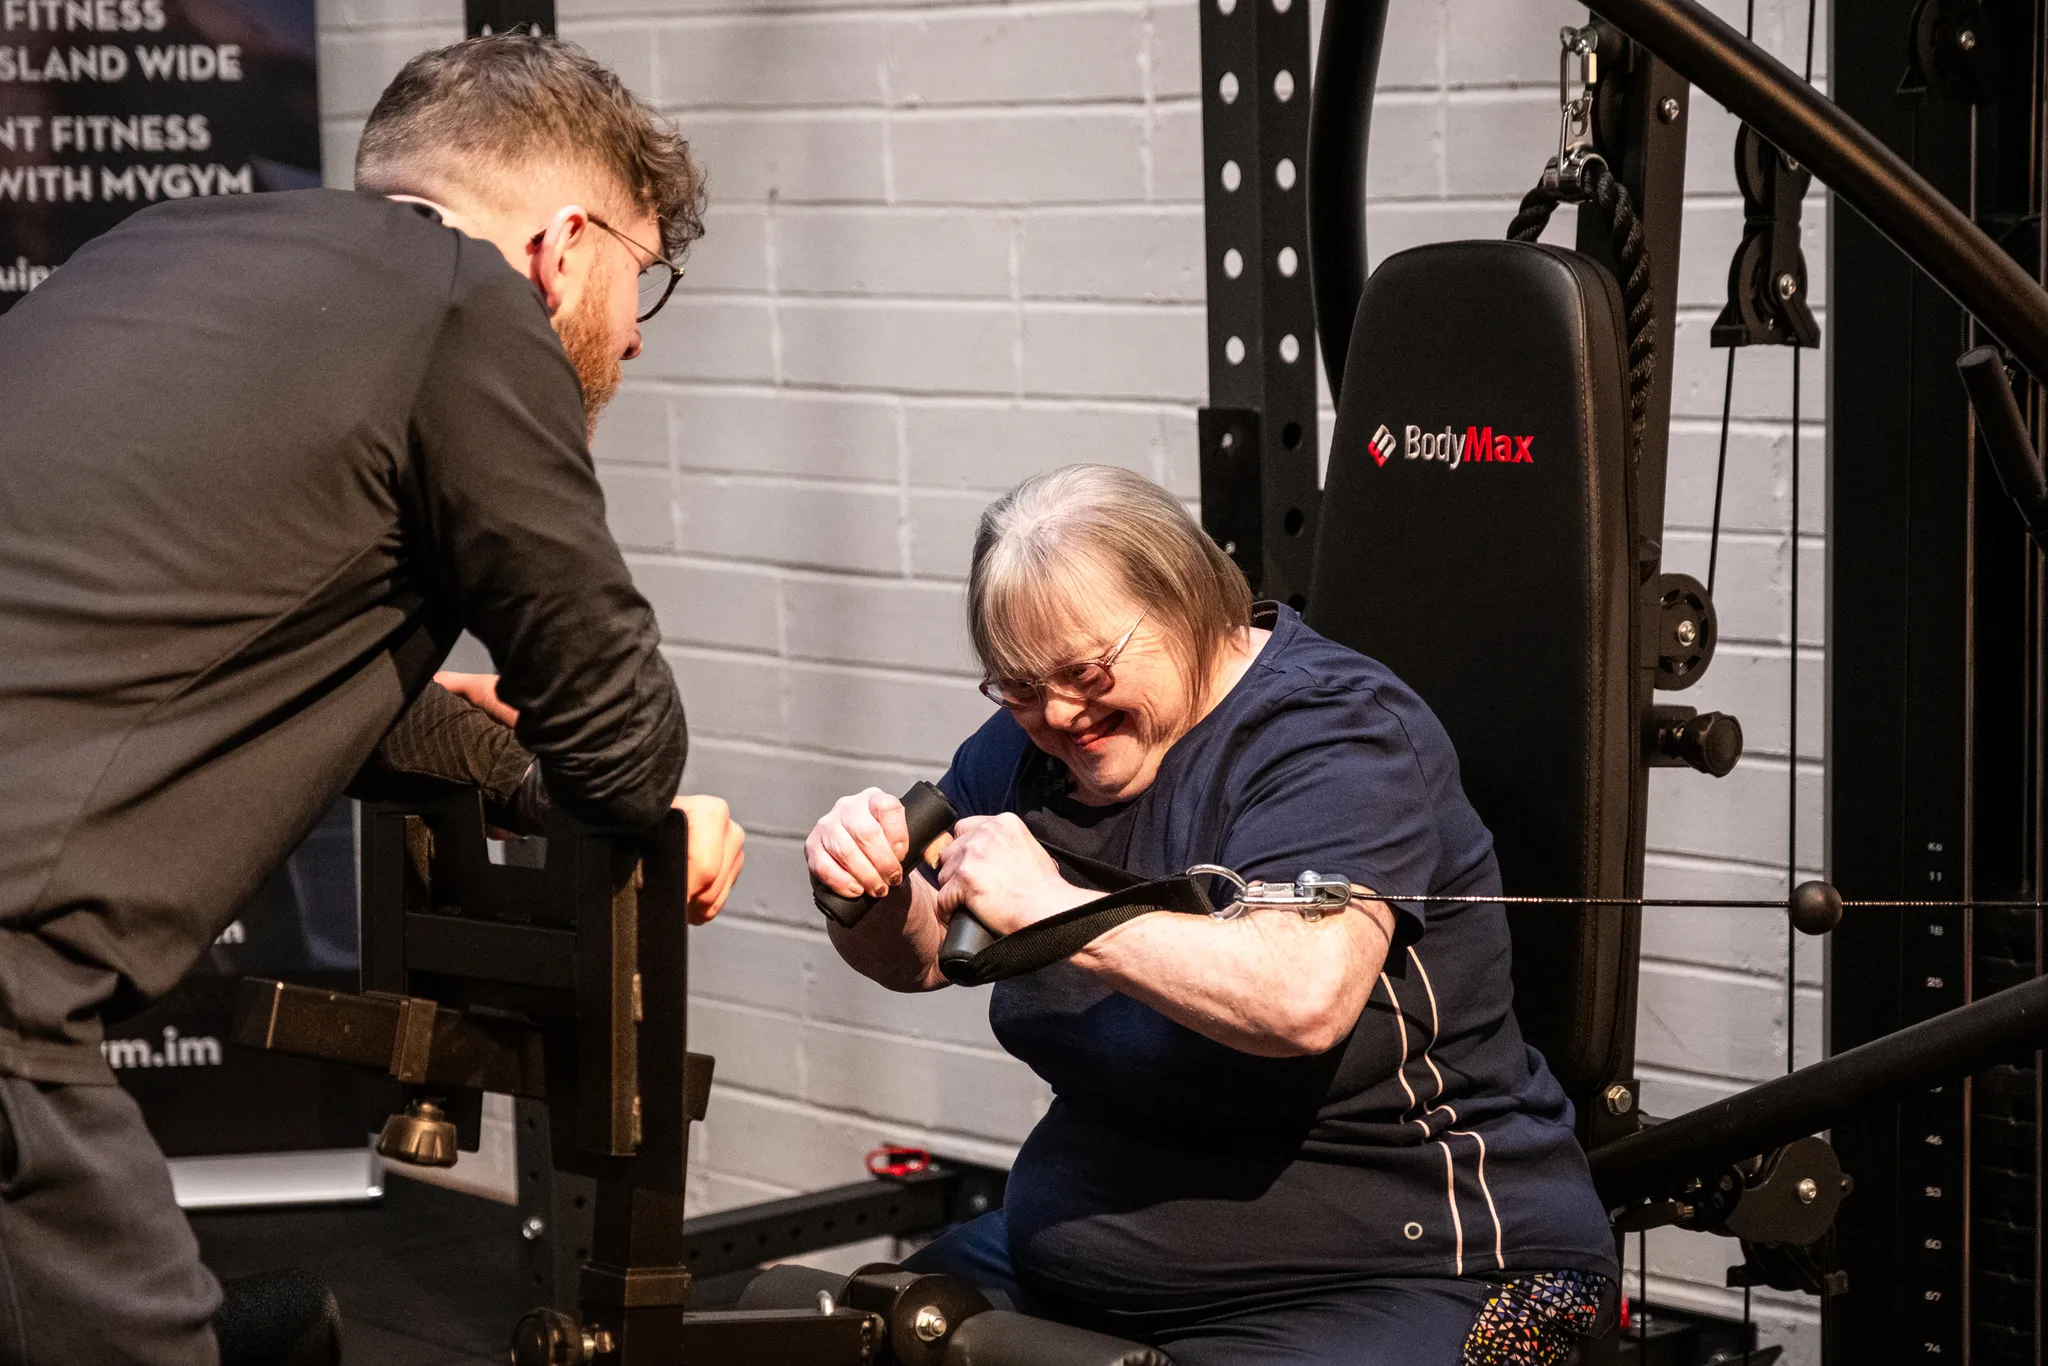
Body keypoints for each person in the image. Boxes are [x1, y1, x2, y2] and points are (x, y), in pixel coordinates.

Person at [0, 33, 743, 1366]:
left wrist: (492, 756)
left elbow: (231, 654)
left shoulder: (164, 244)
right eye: (644, 281)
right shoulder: (472, 308)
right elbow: (623, 743)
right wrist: (633, 796)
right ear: (561, 247)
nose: (631, 334)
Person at [809, 464, 1618, 1366]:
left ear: (1188, 603)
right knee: (834, 1342)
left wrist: (1058, 909)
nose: (1060, 715)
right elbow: (927, 953)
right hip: (1082, 1262)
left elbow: (1300, 999)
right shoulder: (1025, 752)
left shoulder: (1333, 733)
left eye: (1085, 673)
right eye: (1021, 688)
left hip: (1411, 1273)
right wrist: (867, 889)